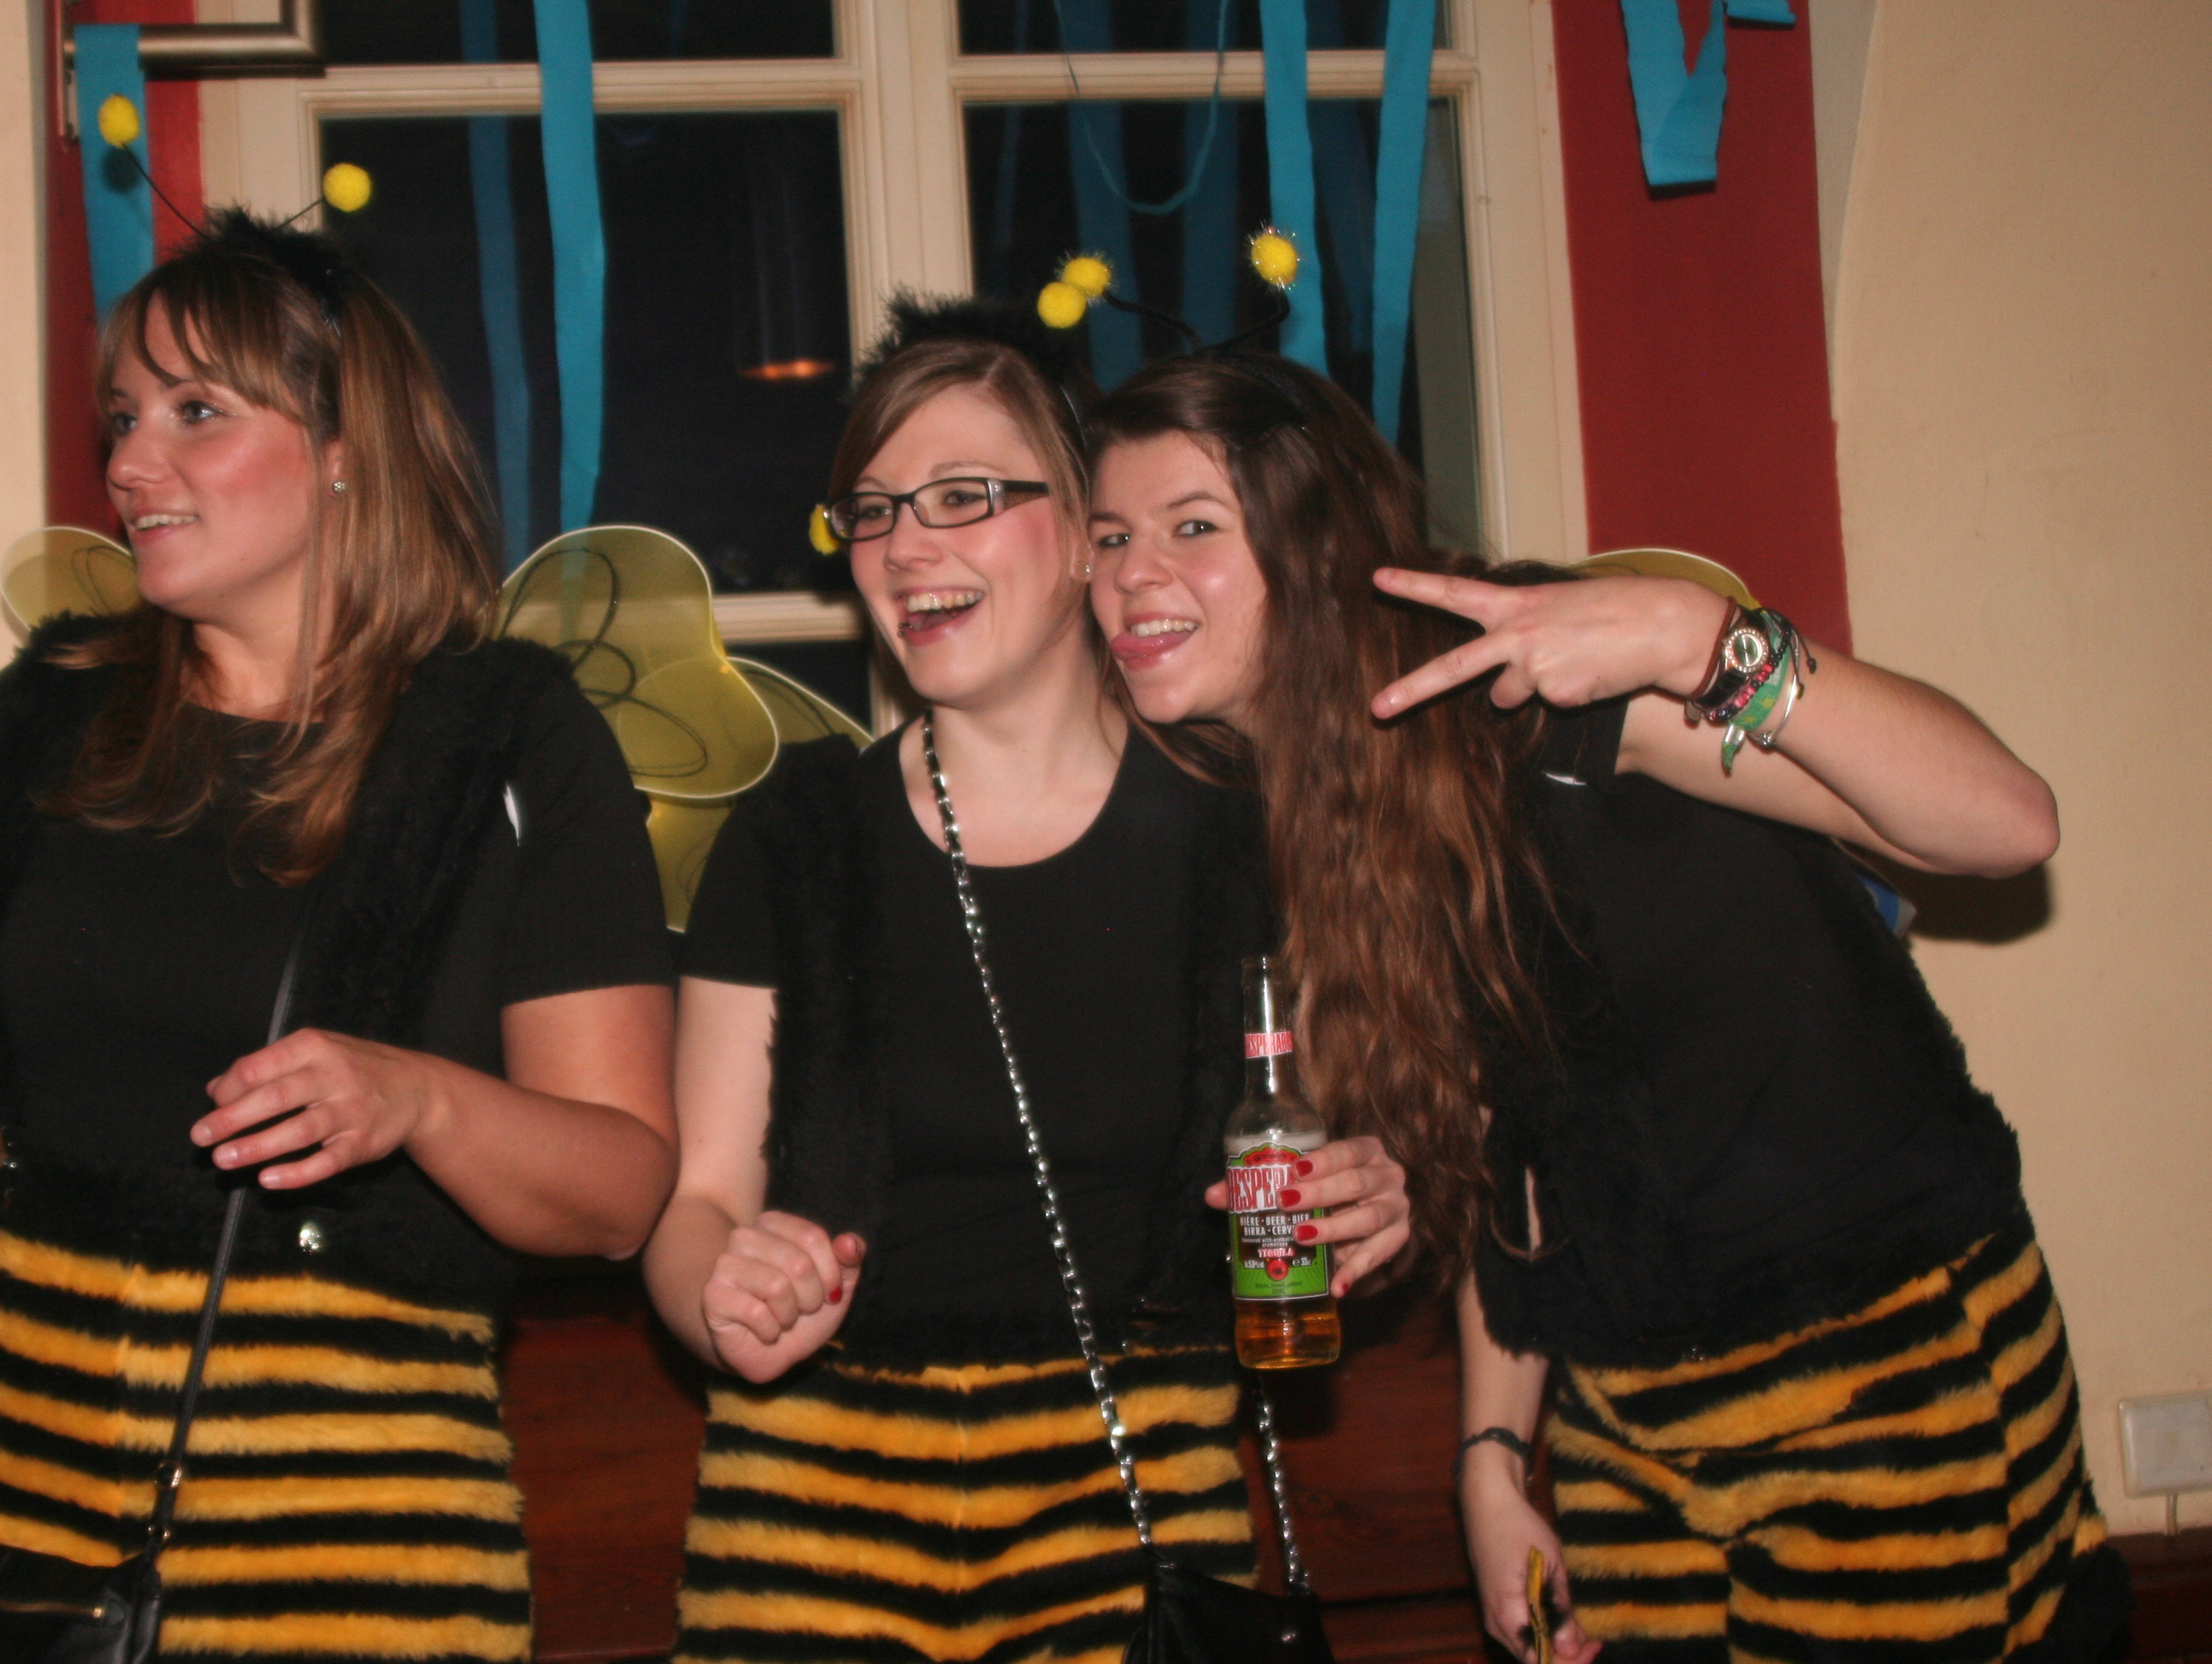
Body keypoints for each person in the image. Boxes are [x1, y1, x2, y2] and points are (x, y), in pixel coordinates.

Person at [0, 212, 678, 1663]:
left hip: (344, 1518)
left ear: (346, 446)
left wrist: (418, 1099)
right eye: (124, 419)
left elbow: (619, 1193)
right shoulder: (46, 710)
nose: (134, 464)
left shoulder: (509, 738)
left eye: (197, 412)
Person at [1084, 351, 2126, 1664]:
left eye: (1192, 527)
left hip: (1880, 1355)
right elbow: (1519, 1152)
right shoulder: (1286, 819)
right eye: (1109, 537)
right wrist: (1490, 1457)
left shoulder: (1522, 678)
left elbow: (2004, 824)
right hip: (1627, 1412)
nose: (1133, 574)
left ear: (1320, 540)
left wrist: (1702, 639)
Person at [639, 302, 1414, 1664]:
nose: (905, 546)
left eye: (963, 496)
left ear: (1083, 531)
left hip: (1133, 1534)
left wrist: (1373, 1198)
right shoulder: (796, 835)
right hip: (811, 1524)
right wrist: (724, 1298)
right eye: (872, 511)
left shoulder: (1247, 832)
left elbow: (1337, 1152)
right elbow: (696, 1202)